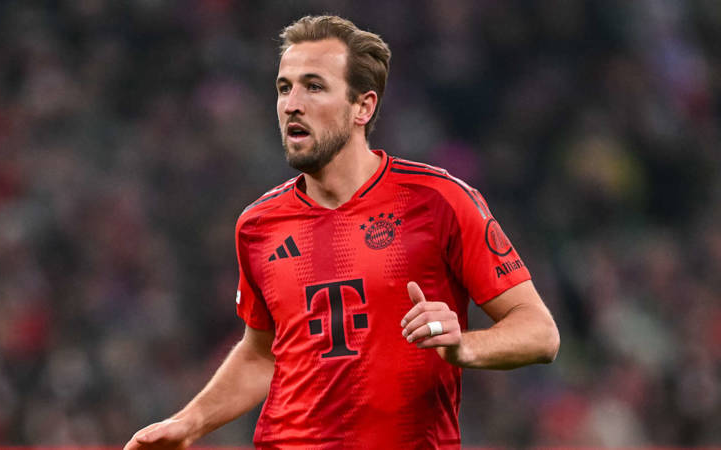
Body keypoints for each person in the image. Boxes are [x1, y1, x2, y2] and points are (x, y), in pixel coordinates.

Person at [125, 15, 559, 450]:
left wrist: (464, 347)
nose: (291, 104)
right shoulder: (258, 225)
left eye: (313, 86)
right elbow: (262, 353)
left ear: (362, 107)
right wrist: (189, 423)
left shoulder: (438, 200)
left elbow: (540, 333)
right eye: (284, 88)